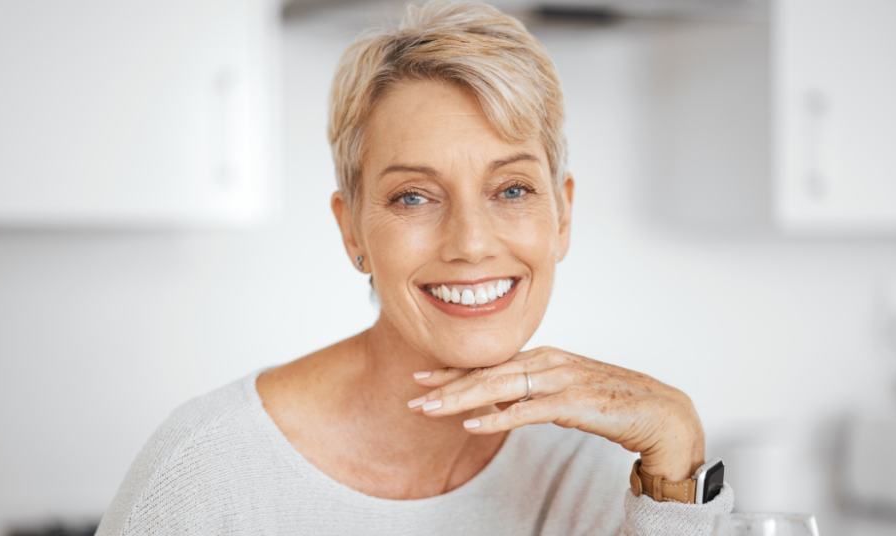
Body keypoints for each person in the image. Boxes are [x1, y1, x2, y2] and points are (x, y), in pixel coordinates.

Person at [97, 1, 733, 534]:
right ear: (352, 230)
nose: (471, 242)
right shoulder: (209, 470)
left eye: (511, 190)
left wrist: (678, 459)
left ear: (562, 216)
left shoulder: (610, 470)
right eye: (413, 196)